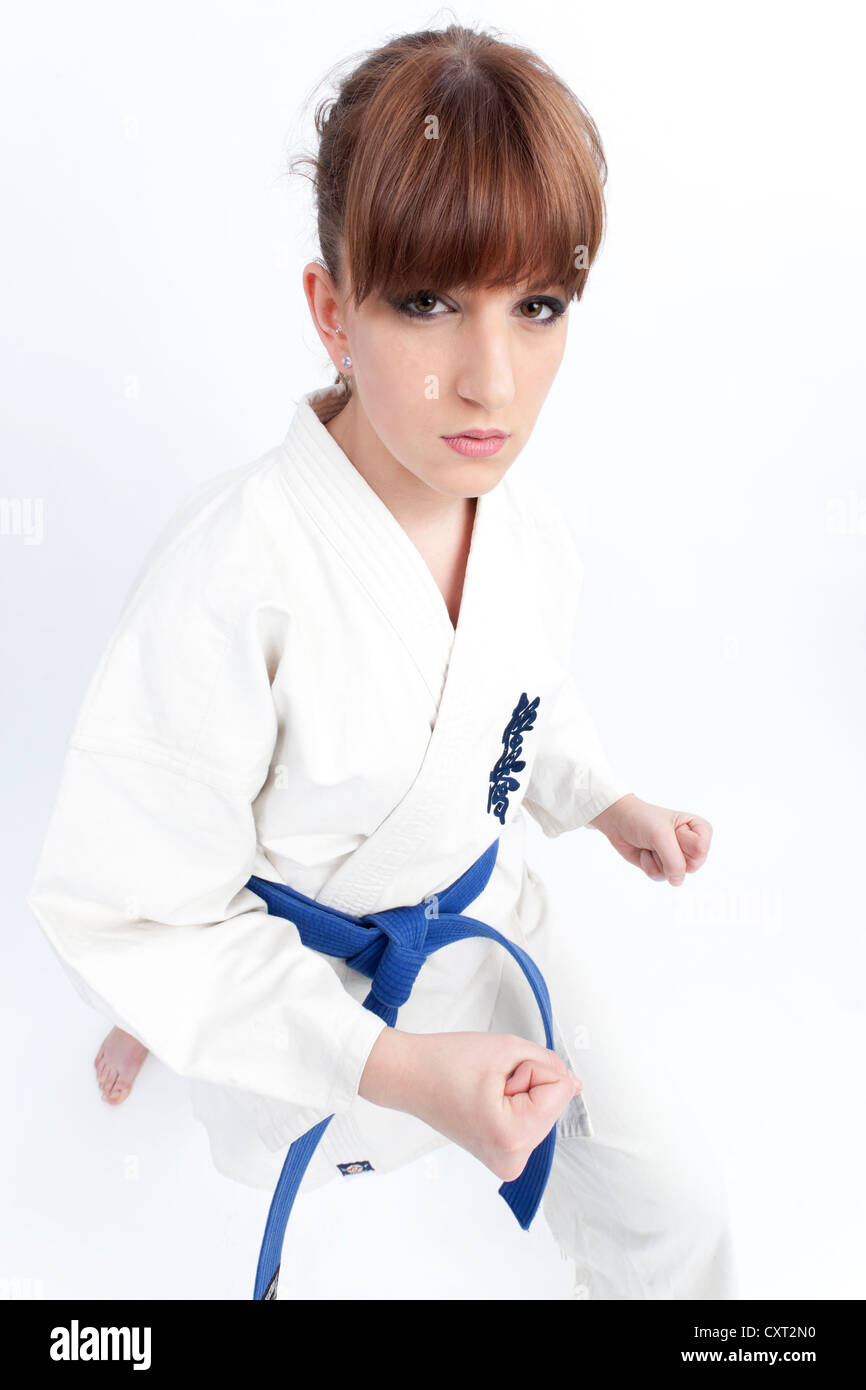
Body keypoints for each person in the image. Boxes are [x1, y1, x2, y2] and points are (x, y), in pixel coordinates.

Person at [26, 22, 738, 1298]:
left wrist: (601, 798)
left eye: (538, 306)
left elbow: (521, 690)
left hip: (480, 919)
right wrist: (401, 1069)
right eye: (425, 303)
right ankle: (159, 1013)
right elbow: (116, 899)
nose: (491, 381)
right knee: (166, 928)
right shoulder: (229, 578)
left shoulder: (522, 524)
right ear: (330, 309)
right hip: (303, 990)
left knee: (678, 1218)